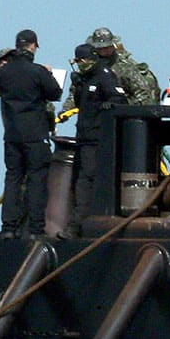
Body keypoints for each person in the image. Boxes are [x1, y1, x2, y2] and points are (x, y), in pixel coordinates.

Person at [0, 29, 62, 240]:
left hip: (11, 135)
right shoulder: (37, 72)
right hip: (35, 134)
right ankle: (35, 229)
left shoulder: (4, 73)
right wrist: (48, 74)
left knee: (12, 178)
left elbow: (0, 90)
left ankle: (8, 228)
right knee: (37, 180)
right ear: (33, 46)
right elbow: (55, 93)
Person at [58, 44, 128, 240]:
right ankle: (79, 224)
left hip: (98, 139)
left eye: (81, 62)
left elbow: (120, 99)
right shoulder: (86, 79)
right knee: (81, 180)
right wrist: (79, 86)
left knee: (87, 181)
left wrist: (111, 104)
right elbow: (80, 103)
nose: (79, 65)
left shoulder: (105, 76)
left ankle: (79, 226)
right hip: (84, 136)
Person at [62, 28, 155, 110]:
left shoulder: (125, 67)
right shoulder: (88, 67)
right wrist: (66, 110)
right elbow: (75, 92)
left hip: (124, 119)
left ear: (113, 45)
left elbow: (143, 94)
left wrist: (121, 107)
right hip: (95, 119)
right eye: (99, 48)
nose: (103, 51)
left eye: (106, 47)